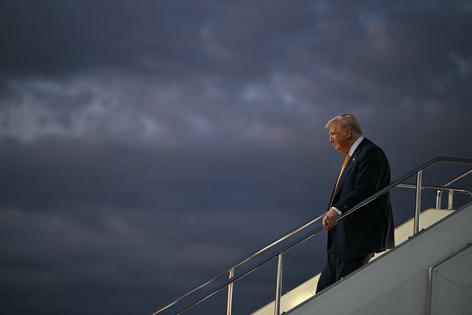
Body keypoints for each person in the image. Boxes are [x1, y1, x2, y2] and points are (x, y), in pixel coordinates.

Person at [315, 114, 395, 293]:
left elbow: (365, 190)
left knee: (341, 298)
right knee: (321, 297)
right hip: (340, 245)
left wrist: (336, 210)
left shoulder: (370, 153)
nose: (330, 140)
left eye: (333, 134)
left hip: (356, 242)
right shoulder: (354, 157)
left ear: (348, 132)